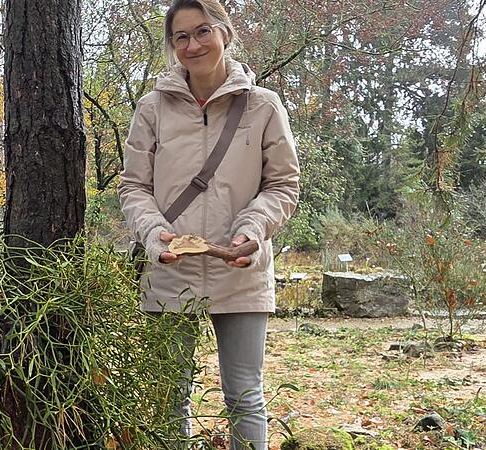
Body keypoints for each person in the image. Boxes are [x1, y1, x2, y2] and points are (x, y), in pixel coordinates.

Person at [117, 0, 300, 448]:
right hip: (168, 270)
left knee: (244, 396)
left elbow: (283, 184)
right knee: (166, 399)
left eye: (202, 32)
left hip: (240, 271)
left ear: (224, 34)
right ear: (172, 46)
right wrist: (152, 231)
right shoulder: (152, 109)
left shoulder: (262, 107)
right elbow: (133, 187)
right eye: (181, 37)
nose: (193, 44)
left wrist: (253, 229)